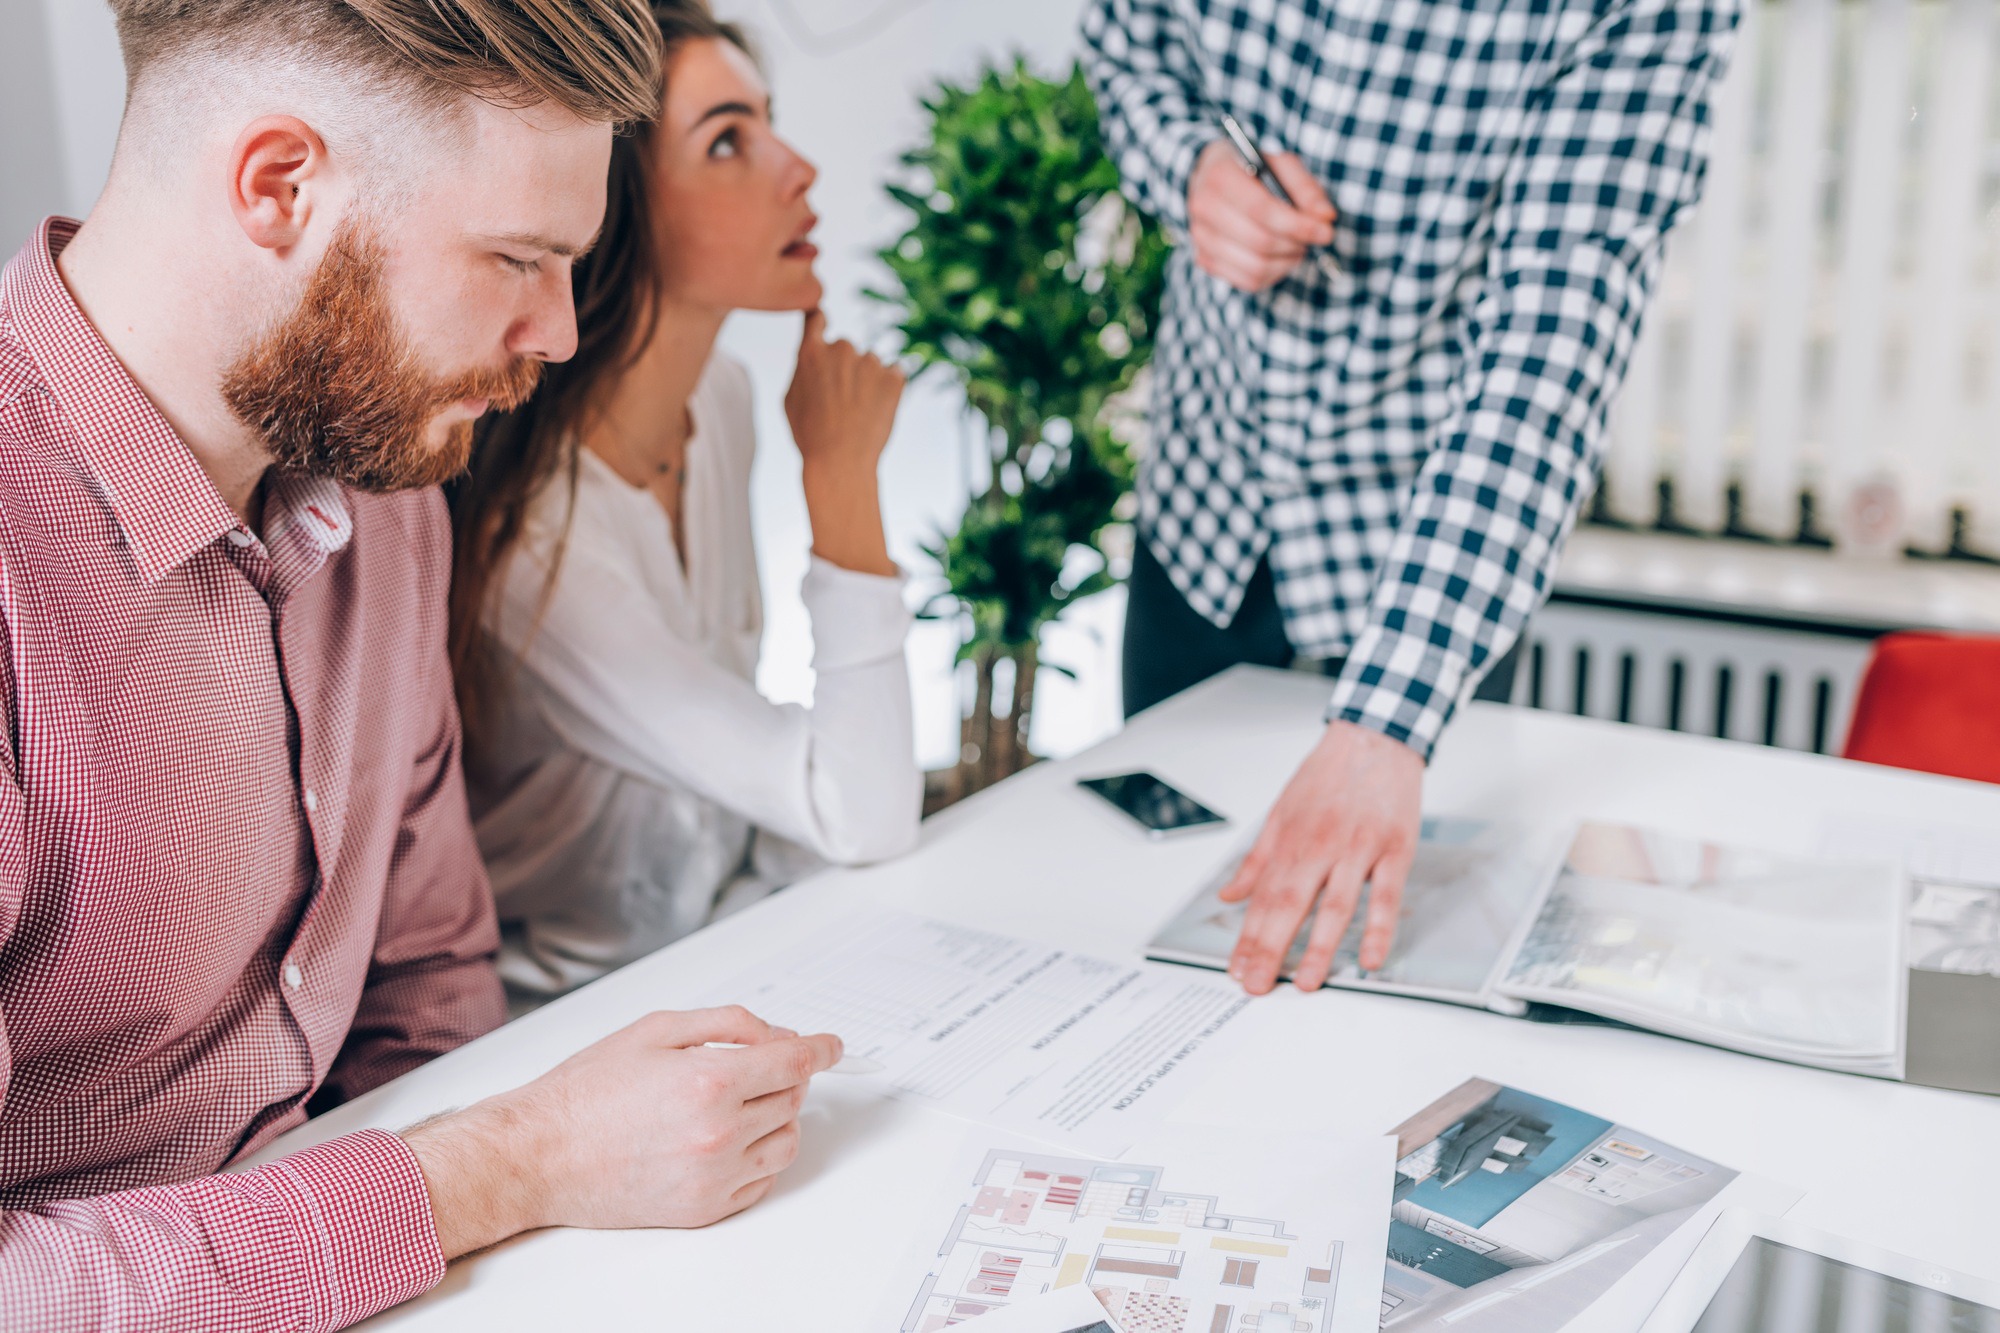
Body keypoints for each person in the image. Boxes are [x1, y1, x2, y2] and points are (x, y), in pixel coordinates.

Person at [0, 4, 841, 1328]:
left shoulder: (391, 506)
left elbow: (430, 983)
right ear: (279, 186)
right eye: (517, 257)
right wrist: (508, 1167)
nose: (560, 333)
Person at [1082, 0, 1738, 996]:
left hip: (1427, 565)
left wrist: (1389, 720)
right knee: (1146, 933)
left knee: (1392, 969)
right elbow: (1125, 43)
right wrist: (1187, 169)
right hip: (1203, 508)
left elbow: (1550, 338)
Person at [449, 1, 921, 1003]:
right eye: (727, 143)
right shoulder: (546, 543)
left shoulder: (723, 401)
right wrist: (840, 487)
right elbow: (858, 809)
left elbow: (788, 806)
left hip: (726, 948)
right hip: (568, 1022)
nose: (796, 169)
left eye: (766, 121)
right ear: (610, 203)